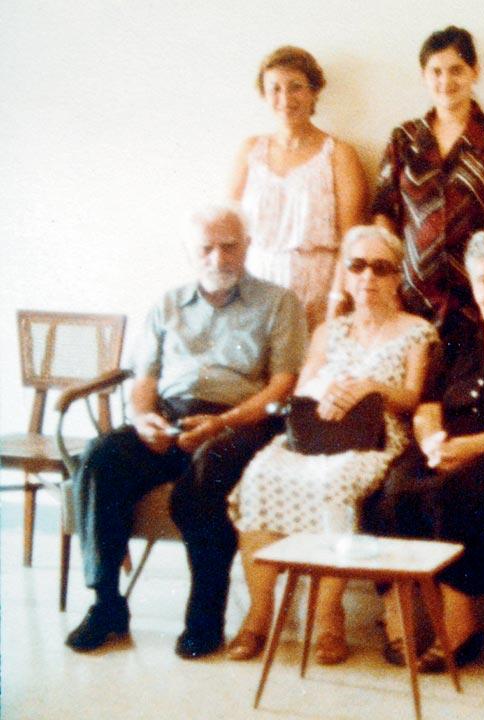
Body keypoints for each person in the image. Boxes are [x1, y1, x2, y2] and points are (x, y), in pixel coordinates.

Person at [65, 205, 306, 658]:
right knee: (100, 458)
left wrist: (224, 422)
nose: (218, 258)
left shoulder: (279, 302)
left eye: (229, 246)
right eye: (207, 248)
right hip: (168, 417)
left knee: (203, 477)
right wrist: (142, 418)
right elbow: (144, 379)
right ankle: (106, 605)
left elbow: (282, 386)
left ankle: (205, 617)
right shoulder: (166, 303)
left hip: (238, 422)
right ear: (189, 253)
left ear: (248, 245)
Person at [224, 225, 434, 664]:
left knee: (333, 486)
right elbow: (303, 389)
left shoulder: (416, 331)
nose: (368, 278)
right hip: (317, 430)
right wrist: (328, 389)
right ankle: (258, 617)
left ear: (397, 276)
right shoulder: (329, 331)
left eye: (381, 268)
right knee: (260, 476)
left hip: (373, 437)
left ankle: (328, 615)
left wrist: (367, 387)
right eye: (357, 266)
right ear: (344, 272)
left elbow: (413, 396)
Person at [361, 230, 484, 672]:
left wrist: (473, 447)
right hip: (445, 446)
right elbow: (428, 402)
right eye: (483, 280)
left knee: (455, 496)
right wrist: (430, 440)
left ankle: (461, 621)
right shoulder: (458, 334)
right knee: (391, 492)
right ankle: (399, 619)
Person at [371, 25, 484, 338]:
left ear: (475, 72)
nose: (445, 81)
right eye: (436, 72)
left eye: (456, 70)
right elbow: (384, 215)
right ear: (424, 76)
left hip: (479, 301)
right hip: (411, 298)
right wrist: (387, 281)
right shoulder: (404, 139)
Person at [230, 45, 369, 330]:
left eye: (296, 87)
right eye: (275, 89)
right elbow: (229, 229)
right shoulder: (250, 151)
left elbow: (352, 240)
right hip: (255, 292)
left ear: (314, 91)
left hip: (318, 296)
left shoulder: (338, 154)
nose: (285, 98)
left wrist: (337, 299)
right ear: (264, 95)